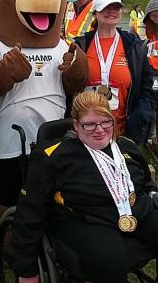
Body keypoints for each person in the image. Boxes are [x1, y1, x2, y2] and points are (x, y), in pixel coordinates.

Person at [12, 91, 158, 283]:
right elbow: (30, 209)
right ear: (75, 125)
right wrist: (27, 270)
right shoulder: (53, 156)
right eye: (89, 124)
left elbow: (146, 182)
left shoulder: (126, 146)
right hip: (86, 219)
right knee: (110, 257)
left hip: (135, 210)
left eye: (106, 122)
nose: (99, 130)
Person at [74, 0, 154, 144]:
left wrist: (140, 116)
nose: (112, 11)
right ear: (95, 13)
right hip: (86, 133)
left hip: (123, 133)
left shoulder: (135, 46)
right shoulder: (81, 45)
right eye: (106, 7)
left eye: (116, 7)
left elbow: (146, 87)